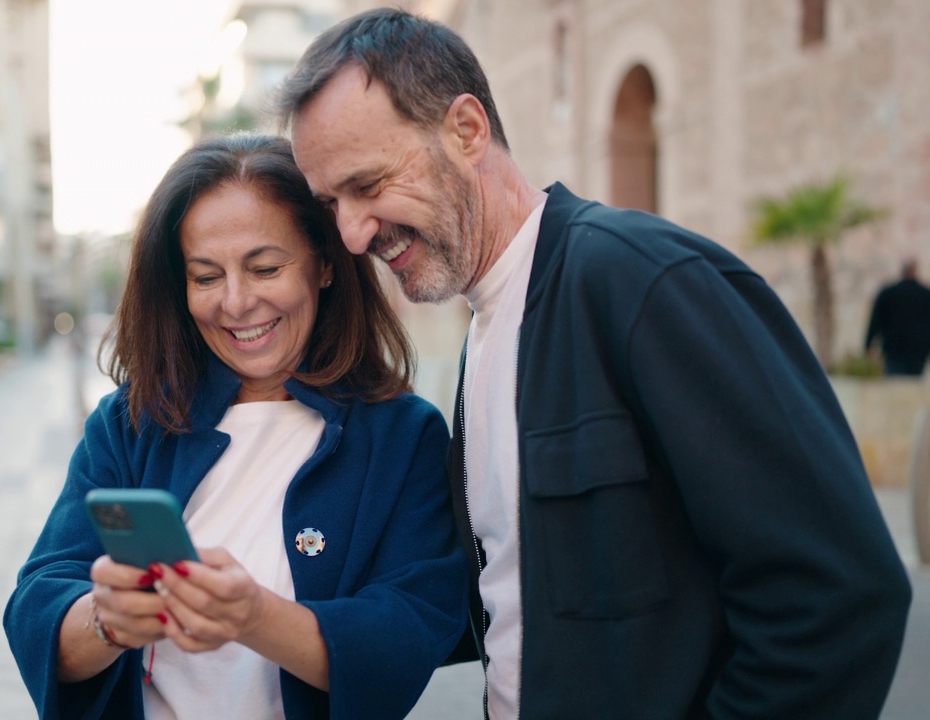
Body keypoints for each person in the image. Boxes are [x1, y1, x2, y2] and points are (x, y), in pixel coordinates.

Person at [278, 8, 911, 719]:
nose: (353, 234)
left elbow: (841, 598)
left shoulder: (643, 283)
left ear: (466, 131)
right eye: (332, 203)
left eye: (368, 185)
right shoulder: (485, 331)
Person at [3, 134, 467, 719]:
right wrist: (106, 619)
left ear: (324, 264)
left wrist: (255, 618)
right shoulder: (133, 422)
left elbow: (412, 629)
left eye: (265, 267)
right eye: (205, 277)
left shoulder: (402, 437)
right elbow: (37, 602)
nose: (237, 302)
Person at [864, 258, 930, 376]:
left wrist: (868, 345)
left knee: (895, 384)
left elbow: (875, 321)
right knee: (913, 386)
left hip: (894, 351)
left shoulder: (888, 293)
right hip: (918, 352)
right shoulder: (926, 295)